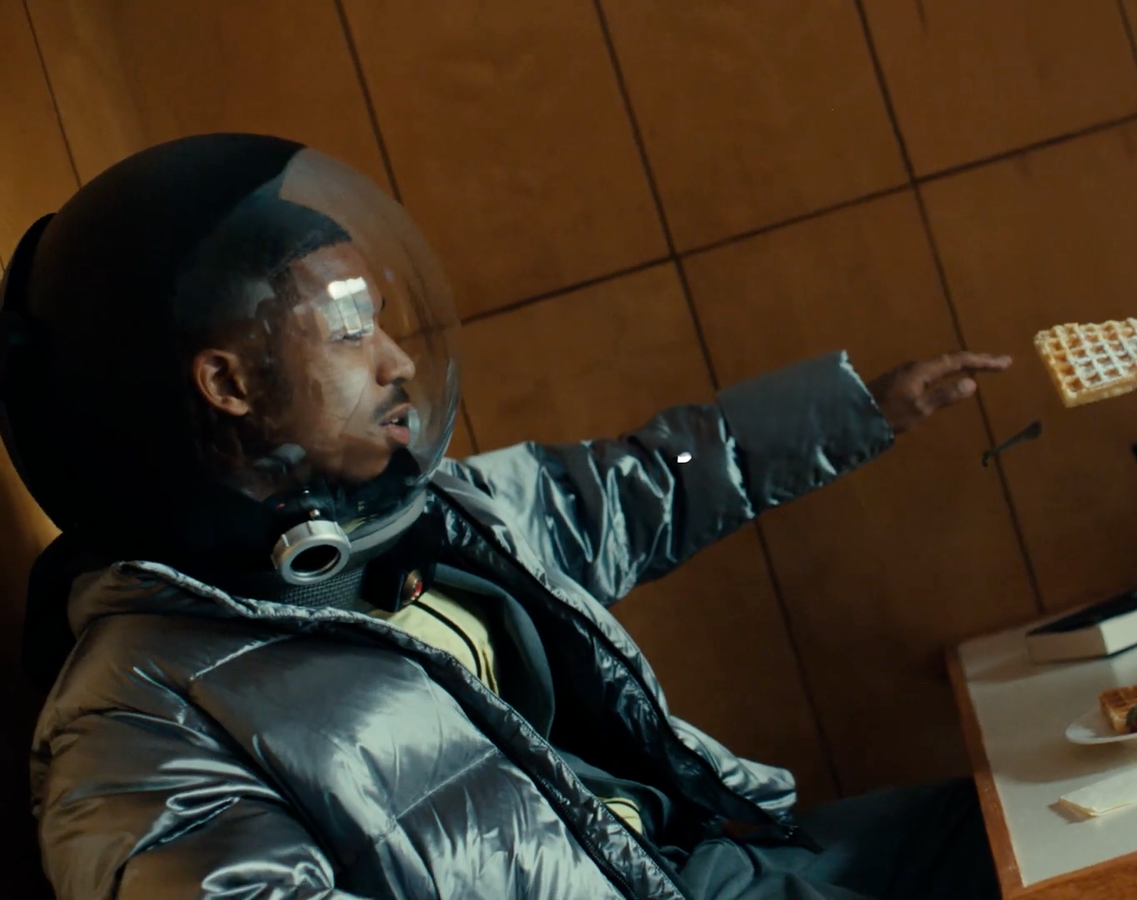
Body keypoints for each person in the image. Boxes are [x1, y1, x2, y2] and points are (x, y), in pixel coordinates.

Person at [0, 133, 1012, 899]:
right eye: (352, 329)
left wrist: (864, 409)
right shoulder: (134, 718)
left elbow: (639, 485)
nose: (396, 361)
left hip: (719, 861)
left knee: (1021, 827)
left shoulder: (428, 519)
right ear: (227, 382)